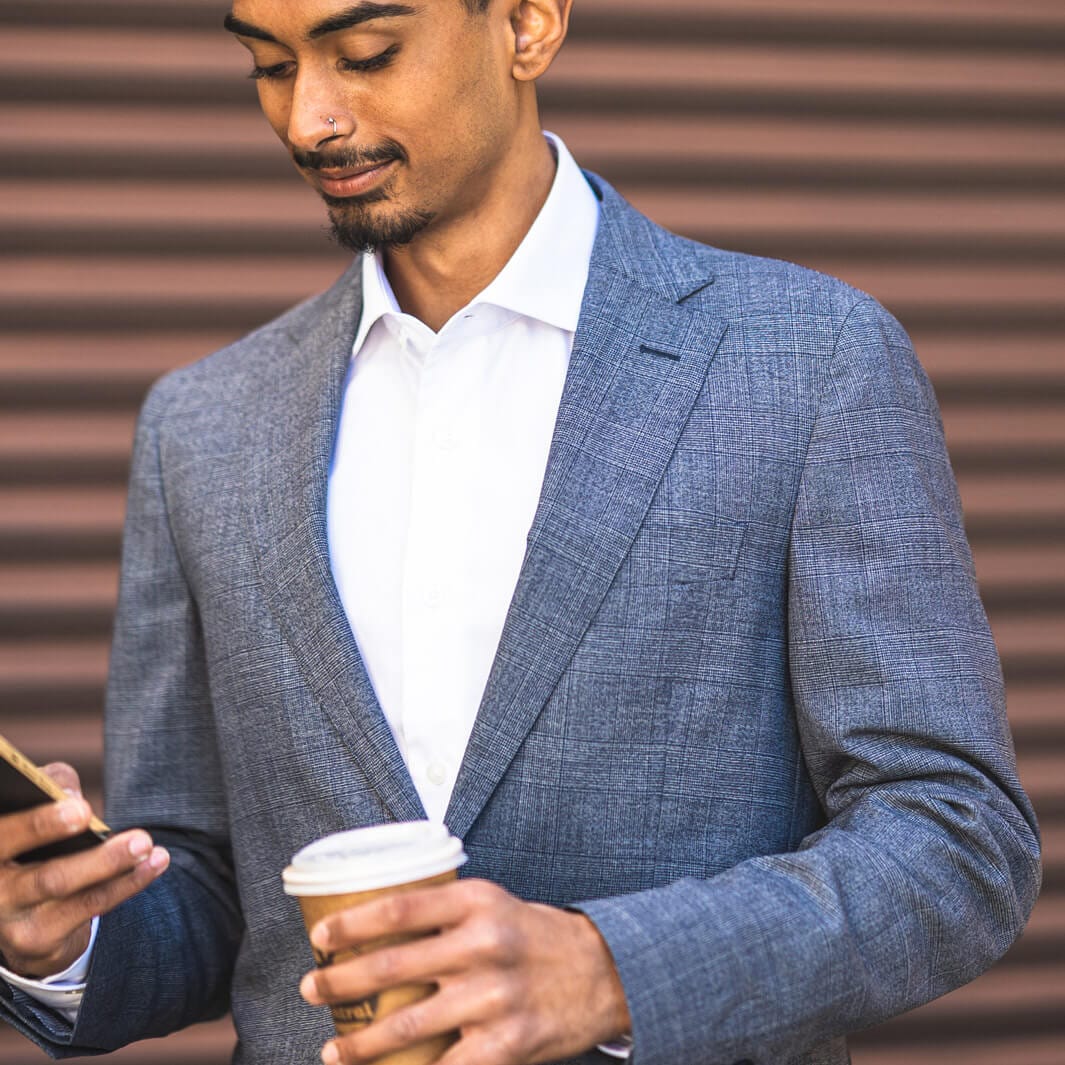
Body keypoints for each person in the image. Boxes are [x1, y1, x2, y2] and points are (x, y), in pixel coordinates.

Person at [0, 0, 1041, 1063]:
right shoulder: (202, 424)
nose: (309, 118)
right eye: (269, 67)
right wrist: (64, 937)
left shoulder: (810, 362)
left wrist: (610, 970)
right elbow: (221, 895)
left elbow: (956, 841)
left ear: (530, 25)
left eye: (366, 55)